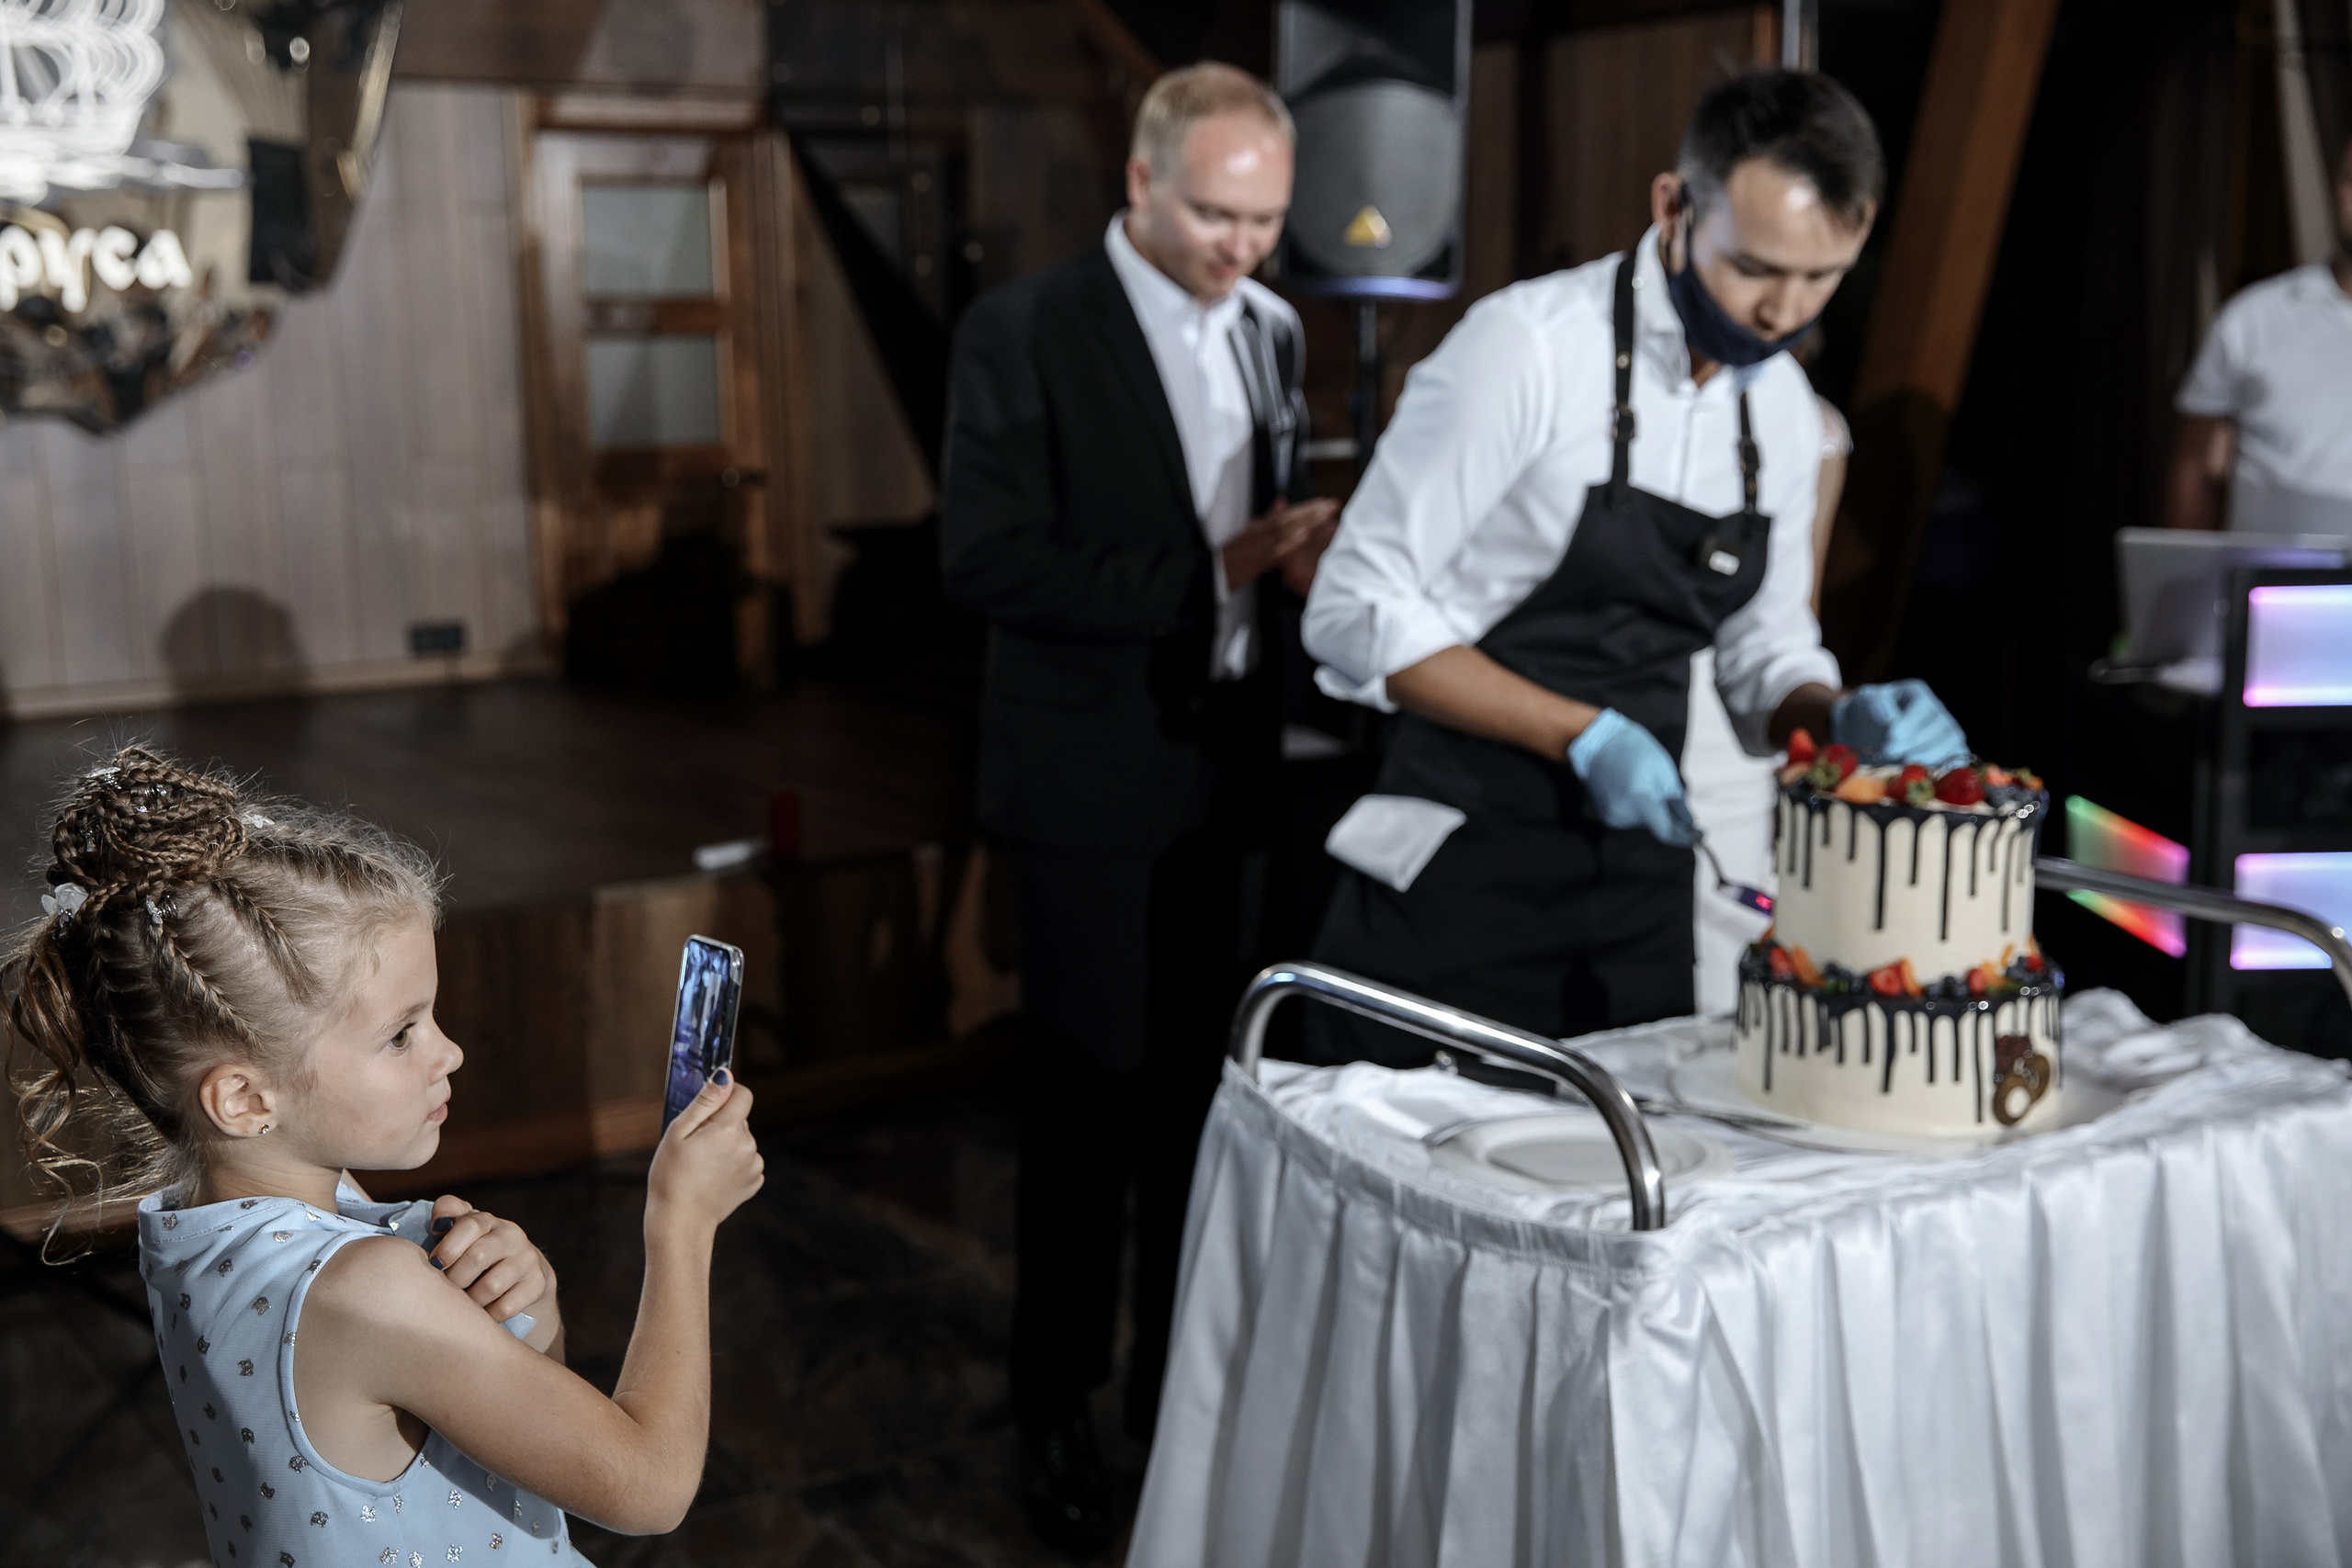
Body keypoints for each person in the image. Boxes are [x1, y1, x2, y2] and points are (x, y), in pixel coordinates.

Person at [1300, 69, 1969, 1061]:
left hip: (1641, 894)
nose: (1782, 311)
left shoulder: (1783, 414)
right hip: (1463, 866)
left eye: (1822, 277)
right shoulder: (1526, 349)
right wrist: (1583, 734)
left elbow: (1760, 654)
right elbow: (1350, 609)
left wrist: (1834, 717)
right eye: (1754, 268)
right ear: (1672, 208)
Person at [4, 747, 765, 1568]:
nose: (450, 1053)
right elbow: (649, 1488)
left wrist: (531, 1308)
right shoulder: (366, 1289)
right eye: (401, 1034)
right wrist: (680, 1220)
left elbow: (503, 1437)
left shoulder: (196, 1230)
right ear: (246, 1100)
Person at [937, 62, 1334, 1550]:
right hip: (1085, 771)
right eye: (1219, 213)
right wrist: (1206, 572)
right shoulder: (1023, 328)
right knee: (1087, 1098)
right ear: (1141, 183)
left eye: (1268, 219)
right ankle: (1053, 1399)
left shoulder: (1277, 331)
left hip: (1232, 766)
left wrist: (1299, 566)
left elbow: (1259, 541)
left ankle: (1181, 1394)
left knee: (1208, 1103)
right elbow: (983, 559)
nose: (1244, 245)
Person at [2166, 132, 2352, 538]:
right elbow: (2195, 466)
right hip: (2269, 571)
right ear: (2335, 188)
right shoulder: (2252, 319)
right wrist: (2188, 570)